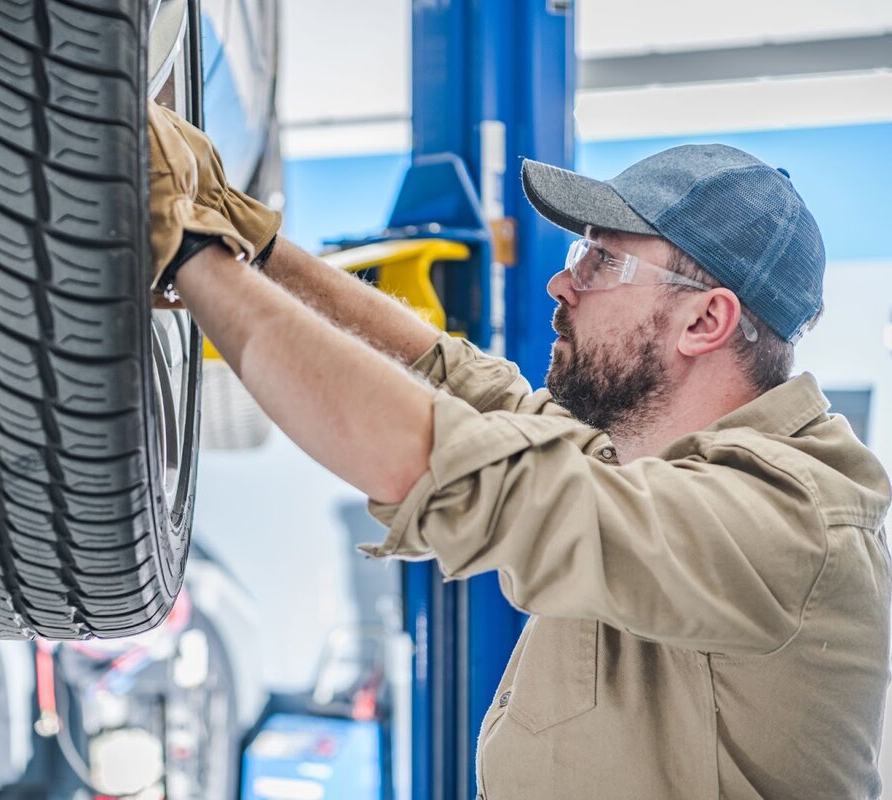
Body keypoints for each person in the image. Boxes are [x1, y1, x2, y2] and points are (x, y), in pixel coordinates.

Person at [146, 103, 892, 799]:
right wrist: (262, 250)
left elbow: (464, 472)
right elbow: (460, 381)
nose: (562, 281)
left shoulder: (789, 525)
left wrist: (193, 258)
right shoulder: (653, 462)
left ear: (704, 321)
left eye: (602, 262)